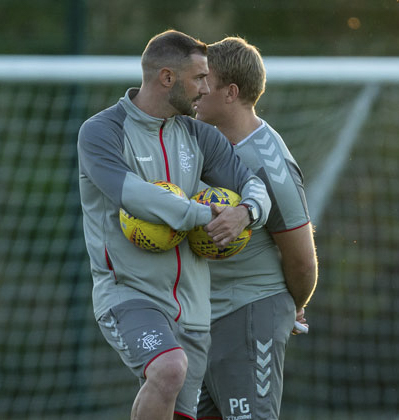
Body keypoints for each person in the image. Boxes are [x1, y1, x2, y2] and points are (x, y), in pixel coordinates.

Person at [77, 29, 271, 420]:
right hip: (129, 296)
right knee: (168, 369)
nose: (206, 88)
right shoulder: (102, 132)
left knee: (178, 395)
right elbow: (134, 195)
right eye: (199, 78)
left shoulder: (202, 136)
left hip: (194, 310)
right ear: (167, 78)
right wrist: (205, 215)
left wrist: (246, 212)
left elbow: (254, 185)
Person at [193, 37, 318, 420]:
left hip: (249, 314)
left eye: (204, 81)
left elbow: (302, 260)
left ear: (231, 93)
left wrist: (292, 307)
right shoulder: (197, 142)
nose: (195, 90)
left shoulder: (269, 163)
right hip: (201, 320)